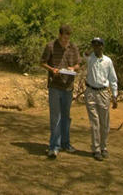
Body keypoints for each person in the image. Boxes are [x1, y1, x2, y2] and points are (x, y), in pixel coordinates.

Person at [40, 24, 81, 158]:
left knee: (66, 117)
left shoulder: (73, 47)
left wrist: (73, 68)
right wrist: (52, 70)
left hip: (68, 86)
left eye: (67, 39)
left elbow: (78, 64)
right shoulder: (50, 46)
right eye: (63, 39)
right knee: (55, 117)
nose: (65, 42)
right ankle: (54, 146)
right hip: (54, 85)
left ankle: (65, 143)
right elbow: (42, 62)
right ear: (59, 35)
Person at [84, 37, 118, 161]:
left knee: (104, 122)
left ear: (102, 46)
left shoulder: (108, 61)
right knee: (94, 122)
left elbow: (113, 79)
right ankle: (96, 148)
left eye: (98, 45)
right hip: (90, 92)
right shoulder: (89, 58)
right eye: (94, 45)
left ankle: (104, 147)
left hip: (103, 92)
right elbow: (84, 54)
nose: (96, 47)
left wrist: (114, 95)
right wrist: (88, 50)